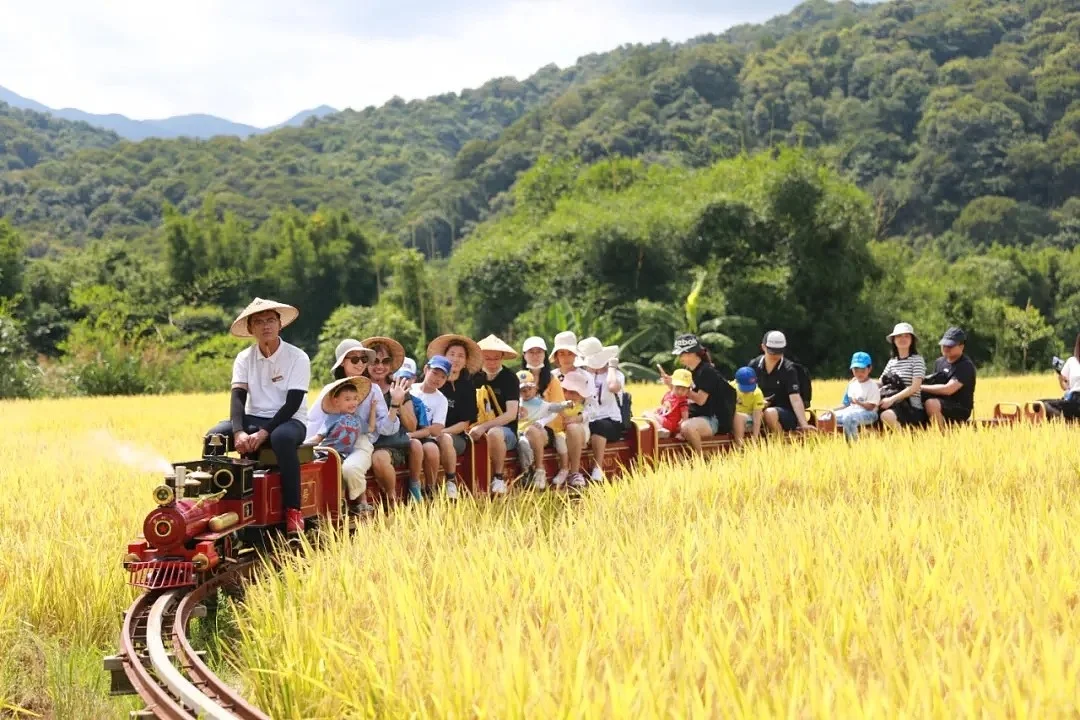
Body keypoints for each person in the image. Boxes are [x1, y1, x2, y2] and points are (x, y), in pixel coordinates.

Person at [205, 298, 310, 534]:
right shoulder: (244, 358)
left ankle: (293, 510)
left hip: (290, 420)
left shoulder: (297, 357)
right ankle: (213, 503)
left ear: (280, 324)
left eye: (271, 320)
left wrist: (265, 432)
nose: (266, 326)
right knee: (214, 437)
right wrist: (238, 431)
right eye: (259, 322)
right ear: (251, 329)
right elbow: (238, 398)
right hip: (254, 418)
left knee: (281, 438)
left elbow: (292, 403)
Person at [306, 338, 400, 517]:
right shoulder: (330, 390)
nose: (360, 364)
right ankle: (327, 512)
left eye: (364, 359)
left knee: (350, 469)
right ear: (342, 363)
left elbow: (383, 427)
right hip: (333, 444)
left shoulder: (373, 390)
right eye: (354, 360)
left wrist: (395, 405)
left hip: (360, 442)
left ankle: (361, 504)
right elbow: (315, 421)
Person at [363, 336, 422, 504]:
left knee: (411, 446)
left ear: (390, 365)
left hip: (395, 444)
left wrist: (398, 402)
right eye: (375, 361)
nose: (380, 366)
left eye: (385, 361)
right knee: (377, 456)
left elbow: (411, 426)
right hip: (369, 444)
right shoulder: (359, 388)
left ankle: (405, 492)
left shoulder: (399, 387)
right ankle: (387, 500)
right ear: (366, 363)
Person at [308, 376, 380, 515]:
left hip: (342, 455)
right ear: (336, 402)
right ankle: (337, 504)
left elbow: (371, 428)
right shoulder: (332, 419)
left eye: (355, 399)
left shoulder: (358, 420)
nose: (352, 402)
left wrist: (372, 409)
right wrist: (302, 445)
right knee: (331, 469)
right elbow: (319, 437)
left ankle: (348, 503)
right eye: (347, 399)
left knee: (348, 469)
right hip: (327, 452)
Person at [661, 333, 740, 451]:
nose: (680, 357)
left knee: (686, 427)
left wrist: (680, 388)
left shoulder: (707, 372)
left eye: (682, 354)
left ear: (692, 353)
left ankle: (699, 458)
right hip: (696, 415)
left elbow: (700, 400)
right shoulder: (689, 371)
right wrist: (673, 387)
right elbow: (682, 396)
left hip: (713, 419)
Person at [427, 334, 482, 500]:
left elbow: (465, 423)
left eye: (460, 356)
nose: (455, 359)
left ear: (465, 361)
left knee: (445, 440)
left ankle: (451, 481)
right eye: (452, 354)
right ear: (444, 356)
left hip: (454, 435)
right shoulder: (433, 381)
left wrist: (441, 432)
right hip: (426, 432)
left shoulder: (467, 387)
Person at [522, 336, 576, 487]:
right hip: (523, 425)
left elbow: (557, 407)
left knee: (533, 430)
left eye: (539, 352)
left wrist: (541, 422)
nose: (535, 355)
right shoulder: (519, 378)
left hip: (548, 426)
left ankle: (539, 471)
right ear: (524, 355)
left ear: (544, 355)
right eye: (531, 352)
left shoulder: (552, 380)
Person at [470, 335, 520, 495]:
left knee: (494, 433)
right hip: (474, 425)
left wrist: (483, 427)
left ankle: (498, 477)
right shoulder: (472, 376)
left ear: (502, 358)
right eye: (487, 358)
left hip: (505, 431)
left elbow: (511, 414)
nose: (491, 363)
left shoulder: (510, 378)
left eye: (496, 359)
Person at [514, 370, 574, 490]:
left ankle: (540, 470)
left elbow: (553, 408)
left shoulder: (540, 403)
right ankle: (527, 473)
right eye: (522, 390)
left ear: (535, 389)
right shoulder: (516, 404)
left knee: (532, 431)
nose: (526, 393)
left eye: (529, 389)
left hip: (537, 433)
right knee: (523, 445)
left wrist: (566, 404)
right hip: (521, 435)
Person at [576, 337, 625, 481]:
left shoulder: (616, 375)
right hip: (586, 418)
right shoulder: (582, 375)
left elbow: (612, 387)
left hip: (610, 421)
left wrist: (611, 368)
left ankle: (597, 468)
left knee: (599, 426)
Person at [749, 331, 815, 434]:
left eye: (778, 351)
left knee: (769, 413)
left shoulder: (789, 369)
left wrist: (803, 424)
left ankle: (779, 443)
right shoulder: (753, 365)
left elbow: (795, 398)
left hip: (785, 412)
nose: (775, 355)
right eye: (772, 351)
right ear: (763, 347)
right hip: (758, 408)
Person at [395, 357, 441, 499]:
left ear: (414, 379)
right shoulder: (384, 396)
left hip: (408, 439)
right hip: (390, 439)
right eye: (401, 377)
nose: (404, 381)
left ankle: (415, 484)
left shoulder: (417, 403)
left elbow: (425, 430)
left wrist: (411, 435)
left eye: (408, 378)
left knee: (416, 446)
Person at [409, 356, 452, 495]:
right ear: (426, 369)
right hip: (404, 430)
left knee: (431, 450)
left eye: (442, 377)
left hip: (425, 436)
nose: (437, 379)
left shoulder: (441, 400)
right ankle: (414, 485)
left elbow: (435, 430)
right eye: (434, 373)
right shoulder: (410, 389)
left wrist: (413, 435)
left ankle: (430, 488)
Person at [922, 327, 978, 427]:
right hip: (942, 402)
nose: (946, 348)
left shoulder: (965, 365)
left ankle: (942, 436)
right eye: (944, 345)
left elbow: (948, 389)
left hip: (959, 407)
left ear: (961, 347)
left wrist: (919, 387)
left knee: (931, 403)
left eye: (950, 345)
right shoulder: (939, 362)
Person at [878, 322, 927, 430]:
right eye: (899, 336)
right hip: (890, 403)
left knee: (886, 416)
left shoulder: (917, 360)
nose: (902, 339)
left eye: (906, 336)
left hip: (911, 407)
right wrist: (862, 381)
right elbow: (881, 382)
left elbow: (915, 387)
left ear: (912, 340)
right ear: (894, 340)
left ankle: (906, 441)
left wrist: (891, 399)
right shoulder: (892, 361)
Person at [556, 371, 593, 489]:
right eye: (565, 390)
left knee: (572, 428)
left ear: (581, 394)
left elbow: (591, 412)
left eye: (573, 392)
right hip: (559, 433)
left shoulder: (585, 406)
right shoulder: (557, 402)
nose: (568, 394)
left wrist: (577, 418)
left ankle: (575, 472)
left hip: (579, 431)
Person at [832, 352, 881, 441]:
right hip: (852, 411)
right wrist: (831, 411)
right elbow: (846, 404)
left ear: (869, 369)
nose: (859, 374)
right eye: (856, 370)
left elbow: (871, 407)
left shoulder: (872, 386)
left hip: (869, 414)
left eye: (862, 370)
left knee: (849, 418)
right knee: (830, 417)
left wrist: (858, 402)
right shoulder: (852, 384)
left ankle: (852, 444)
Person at [644, 368, 692, 438]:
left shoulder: (682, 401)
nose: (680, 392)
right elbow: (663, 408)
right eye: (677, 388)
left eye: (683, 390)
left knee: (646, 414)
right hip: (664, 420)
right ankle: (659, 429)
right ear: (672, 385)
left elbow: (685, 417)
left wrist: (680, 431)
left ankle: (660, 429)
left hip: (670, 424)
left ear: (688, 390)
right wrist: (657, 410)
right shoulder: (667, 395)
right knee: (647, 418)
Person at [1042, 335, 1080, 419]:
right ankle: (1067, 419)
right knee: (1038, 404)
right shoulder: (1072, 361)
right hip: (1074, 400)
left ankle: (1064, 420)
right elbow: (1066, 387)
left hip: (1075, 402)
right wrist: (1060, 378)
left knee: (1042, 405)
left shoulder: (1072, 361)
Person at [730, 366, 765, 440]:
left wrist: (755, 438)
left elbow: (757, 418)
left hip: (749, 420)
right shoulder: (731, 387)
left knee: (738, 416)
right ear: (736, 381)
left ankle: (739, 445)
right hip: (732, 417)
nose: (747, 391)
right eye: (744, 387)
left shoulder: (757, 393)